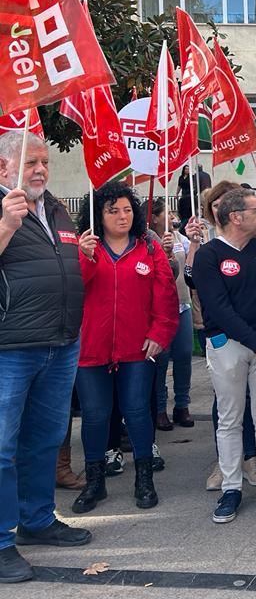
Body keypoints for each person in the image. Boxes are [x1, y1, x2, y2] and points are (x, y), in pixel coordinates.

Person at [0, 132, 92, 583]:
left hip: (60, 344)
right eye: (31, 163)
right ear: (4, 168)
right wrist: (5, 225)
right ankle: (0, 542)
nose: (40, 170)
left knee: (45, 438)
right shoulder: (6, 210)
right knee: (1, 448)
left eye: (45, 162)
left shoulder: (55, 206)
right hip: (9, 349)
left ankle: (36, 520)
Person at [72, 182, 178, 514]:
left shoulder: (149, 249)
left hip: (137, 350)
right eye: (112, 210)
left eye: (127, 209)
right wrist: (85, 257)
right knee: (95, 416)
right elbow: (72, 292)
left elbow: (166, 299)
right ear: (97, 215)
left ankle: (144, 479)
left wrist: (159, 335)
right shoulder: (85, 249)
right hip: (91, 349)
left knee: (136, 411)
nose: (122, 216)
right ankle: (95, 482)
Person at [191, 188, 256, 524]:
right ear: (236, 217)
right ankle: (231, 488)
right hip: (229, 344)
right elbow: (218, 307)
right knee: (230, 418)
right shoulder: (208, 255)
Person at [192, 182, 256, 493]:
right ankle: (226, 464)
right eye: (216, 202)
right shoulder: (206, 243)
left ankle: (251, 458)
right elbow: (192, 279)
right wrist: (193, 245)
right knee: (227, 405)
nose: (220, 207)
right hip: (223, 335)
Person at [149, 199, 195, 431]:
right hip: (159, 309)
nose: (171, 216)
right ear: (155, 217)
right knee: (161, 359)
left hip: (181, 303)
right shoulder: (148, 238)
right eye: (166, 213)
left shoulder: (178, 238)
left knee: (184, 354)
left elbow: (191, 263)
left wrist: (196, 241)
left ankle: (182, 405)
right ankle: (159, 408)